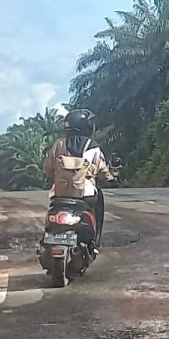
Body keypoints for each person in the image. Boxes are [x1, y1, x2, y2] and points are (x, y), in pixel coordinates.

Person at [43, 108, 113, 252]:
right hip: (85, 195)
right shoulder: (93, 147)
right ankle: (94, 243)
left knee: (52, 213)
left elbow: (48, 168)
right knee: (98, 201)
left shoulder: (59, 145)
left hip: (59, 194)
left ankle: (47, 239)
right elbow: (102, 170)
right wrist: (110, 179)